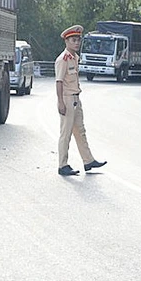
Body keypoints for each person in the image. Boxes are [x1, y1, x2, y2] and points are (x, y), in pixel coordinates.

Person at [54, 25, 106, 176]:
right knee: (66, 133)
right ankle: (62, 165)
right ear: (67, 41)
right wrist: (60, 102)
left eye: (78, 40)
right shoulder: (62, 60)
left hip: (76, 98)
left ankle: (88, 160)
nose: (76, 43)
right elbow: (59, 82)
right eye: (73, 40)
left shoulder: (75, 58)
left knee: (80, 131)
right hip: (67, 100)